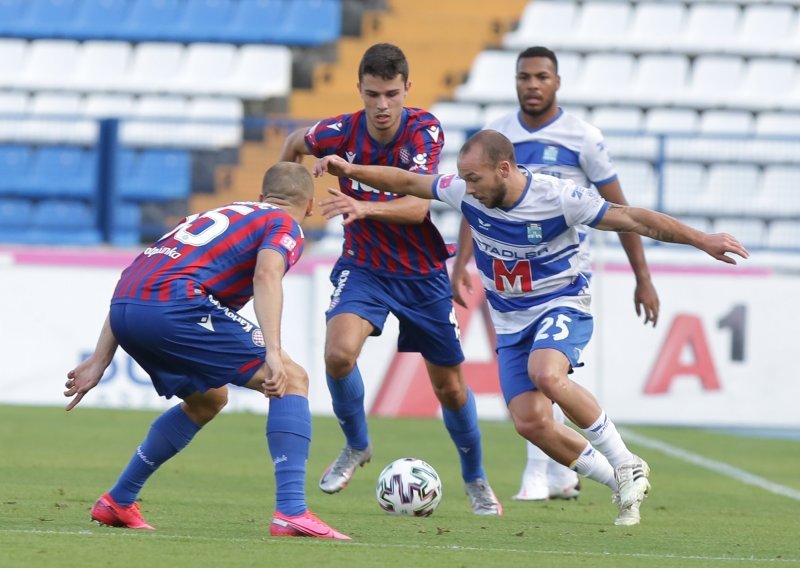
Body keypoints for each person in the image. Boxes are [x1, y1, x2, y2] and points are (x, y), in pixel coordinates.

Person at [312, 129, 749, 526]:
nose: (468, 187)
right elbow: (406, 183)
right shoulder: (466, 192)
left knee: (547, 374)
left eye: (476, 177)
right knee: (530, 422)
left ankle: (625, 461)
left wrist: (701, 239)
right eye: (464, 177)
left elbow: (637, 219)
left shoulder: (559, 198)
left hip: (560, 303)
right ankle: (620, 483)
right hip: (510, 321)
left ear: (504, 169)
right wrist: (351, 170)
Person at [63, 162, 350, 539]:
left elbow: (139, 273)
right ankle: (291, 512)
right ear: (310, 206)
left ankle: (119, 500)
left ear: (262, 197)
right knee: (292, 378)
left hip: (126, 308)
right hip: (174, 308)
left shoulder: (212, 215)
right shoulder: (284, 224)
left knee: (208, 399)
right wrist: (274, 351)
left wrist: (101, 358)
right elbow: (267, 274)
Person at [279, 43, 502, 515]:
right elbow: (296, 142)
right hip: (364, 267)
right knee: (338, 354)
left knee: (450, 388)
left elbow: (418, 205)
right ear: (359, 89)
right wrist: (288, 211)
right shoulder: (340, 130)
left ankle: (475, 475)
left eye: (392, 94)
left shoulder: (423, 131)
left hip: (421, 275)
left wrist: (363, 205)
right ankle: (357, 445)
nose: (382, 105)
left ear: (407, 90)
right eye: (373, 94)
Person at [451, 45, 661, 502]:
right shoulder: (497, 135)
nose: (532, 85)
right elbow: (474, 205)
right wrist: (460, 263)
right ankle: (566, 474)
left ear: (556, 82)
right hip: (507, 273)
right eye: (524, 77)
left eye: (541, 77)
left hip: (562, 273)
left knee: (547, 371)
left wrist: (641, 276)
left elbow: (622, 210)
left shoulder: (583, 137)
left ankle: (546, 473)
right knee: (531, 392)